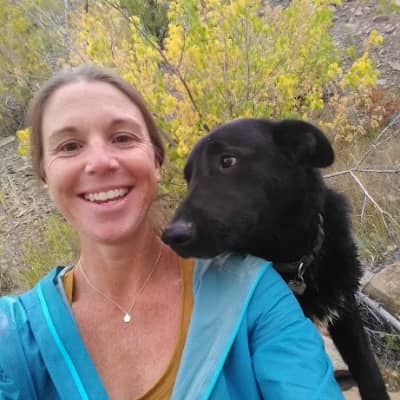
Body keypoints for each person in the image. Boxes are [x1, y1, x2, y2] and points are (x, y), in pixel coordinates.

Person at [0, 65, 344, 400]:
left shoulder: (250, 292)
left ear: (156, 161)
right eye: (69, 146)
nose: (100, 162)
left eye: (122, 138)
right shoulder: (15, 335)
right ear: (44, 174)